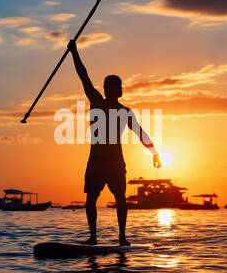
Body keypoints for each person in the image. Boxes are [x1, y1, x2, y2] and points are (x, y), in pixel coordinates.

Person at [67, 40, 161, 246]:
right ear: (105, 89)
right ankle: (93, 237)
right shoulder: (97, 102)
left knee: (120, 198)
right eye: (107, 86)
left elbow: (139, 132)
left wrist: (154, 151)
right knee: (91, 199)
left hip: (115, 161)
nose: (110, 89)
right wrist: (74, 52)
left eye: (114, 87)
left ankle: (122, 237)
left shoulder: (125, 111)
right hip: (96, 160)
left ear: (119, 90)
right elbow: (84, 76)